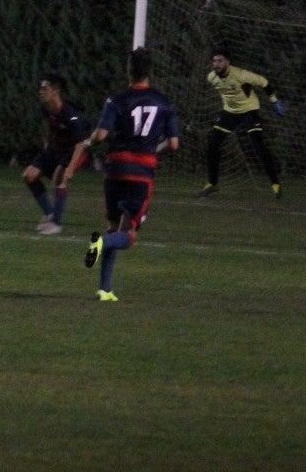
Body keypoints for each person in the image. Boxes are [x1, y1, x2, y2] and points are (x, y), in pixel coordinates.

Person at [60, 47, 180, 302]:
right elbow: (174, 144)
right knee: (128, 236)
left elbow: (101, 136)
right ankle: (100, 243)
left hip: (115, 169)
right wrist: (153, 151)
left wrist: (90, 140)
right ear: (150, 71)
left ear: (129, 69)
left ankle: (105, 289)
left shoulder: (117, 100)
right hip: (141, 173)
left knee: (115, 226)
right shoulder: (163, 102)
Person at [198, 47, 286, 198]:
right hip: (230, 113)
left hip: (249, 111)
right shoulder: (212, 78)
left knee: (259, 146)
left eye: (220, 60)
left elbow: (264, 82)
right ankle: (212, 183)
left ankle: (275, 184)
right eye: (214, 61)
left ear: (227, 62)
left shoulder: (241, 75)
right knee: (212, 142)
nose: (217, 64)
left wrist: (274, 101)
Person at [23, 74, 88, 234]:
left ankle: (56, 224)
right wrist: (47, 145)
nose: (41, 91)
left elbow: (80, 143)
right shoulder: (46, 109)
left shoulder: (69, 113)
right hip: (54, 150)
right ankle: (49, 213)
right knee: (29, 176)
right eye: (41, 88)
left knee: (60, 177)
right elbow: (50, 126)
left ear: (55, 91)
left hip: (74, 151)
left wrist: (71, 168)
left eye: (45, 88)